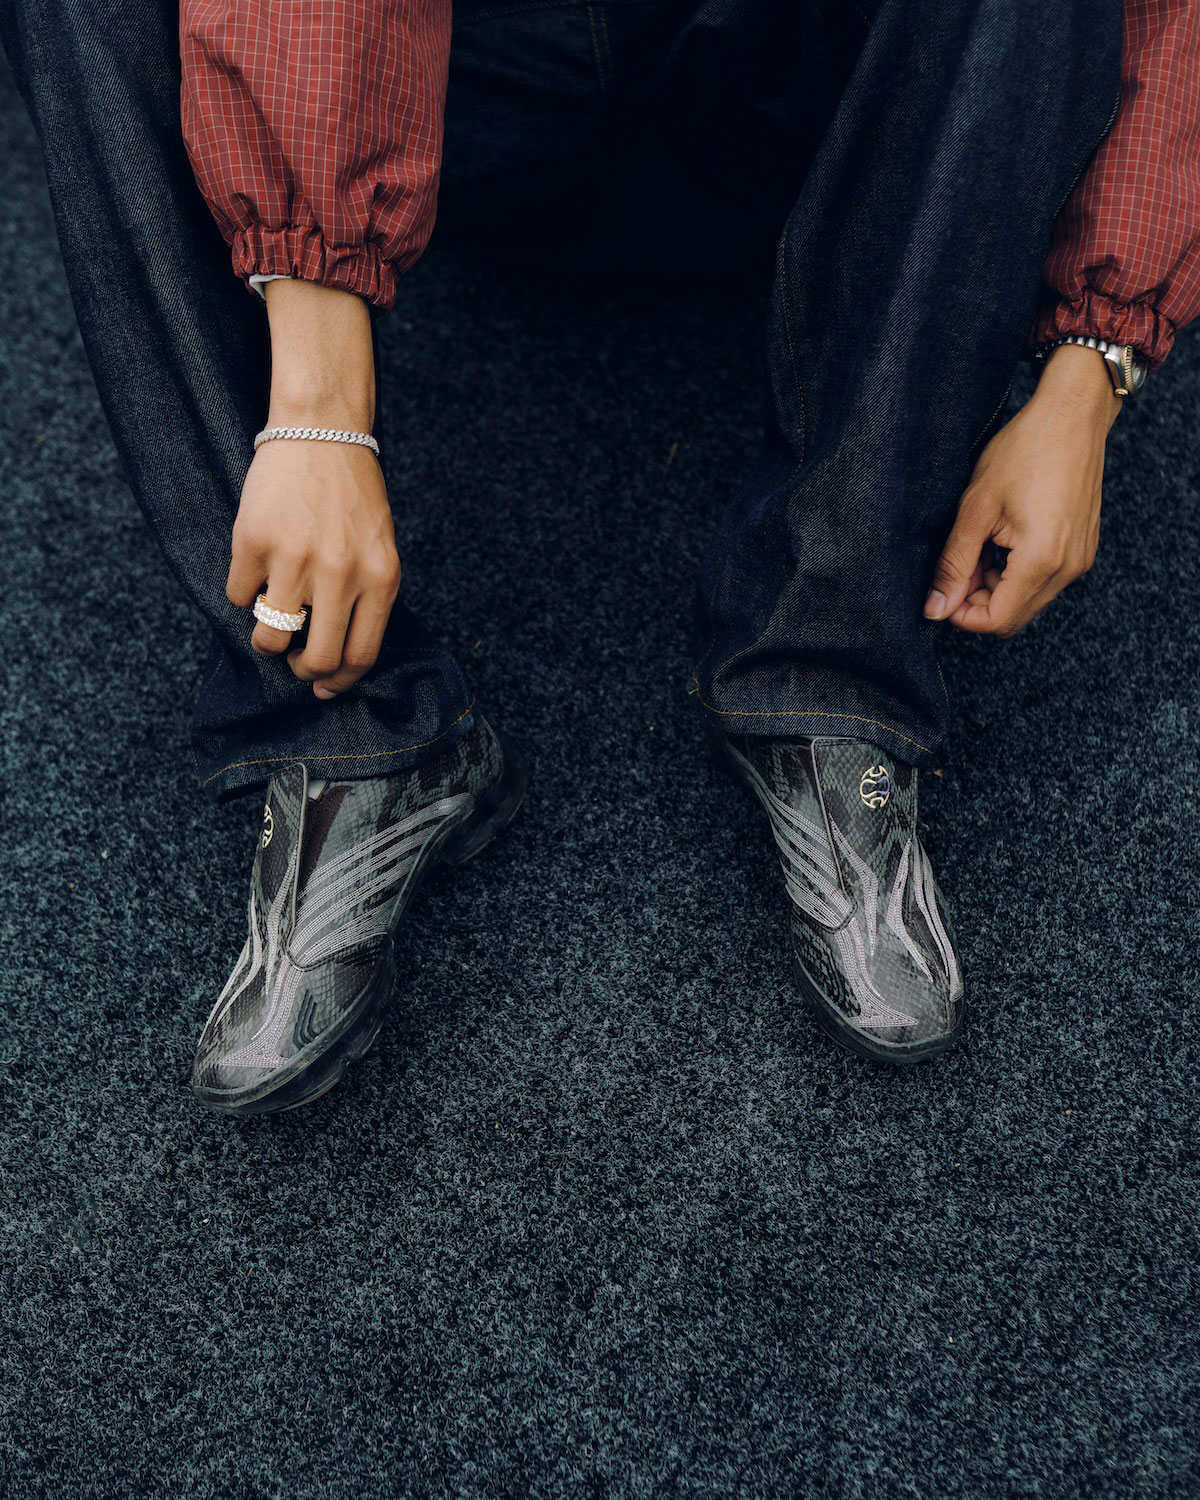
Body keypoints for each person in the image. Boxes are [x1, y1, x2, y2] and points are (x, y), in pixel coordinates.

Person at [1, 0, 1196, 1110]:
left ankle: (831, 655)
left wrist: (1093, 364)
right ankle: (336, 712)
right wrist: (316, 401)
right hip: (473, 105)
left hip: (818, 119)